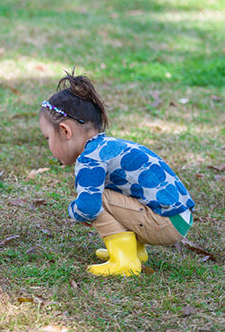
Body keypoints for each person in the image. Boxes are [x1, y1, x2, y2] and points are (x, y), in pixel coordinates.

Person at [39, 72, 195, 276]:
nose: (48, 145)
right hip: (180, 216)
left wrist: (75, 210)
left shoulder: (90, 159)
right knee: (112, 194)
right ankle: (135, 251)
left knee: (98, 199)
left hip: (165, 222)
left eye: (47, 137)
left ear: (65, 131)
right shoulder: (108, 146)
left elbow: (88, 207)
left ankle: (125, 260)